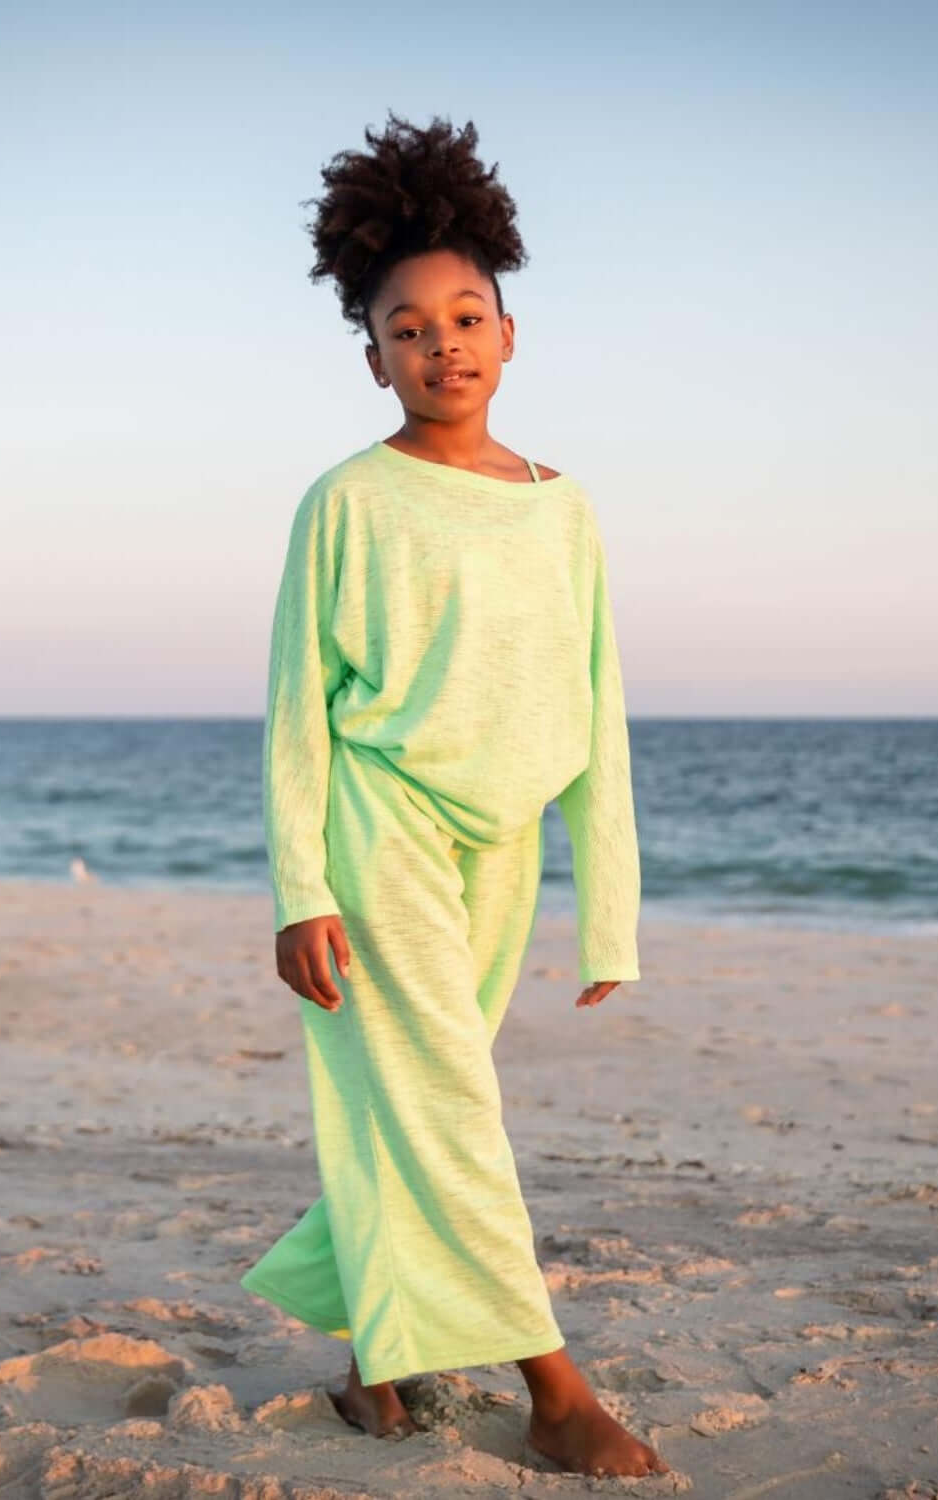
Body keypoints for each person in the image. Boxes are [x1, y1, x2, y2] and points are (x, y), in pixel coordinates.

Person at [239, 110, 668, 1481]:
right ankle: (554, 1392)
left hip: (504, 851)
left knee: (420, 1102)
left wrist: (610, 911)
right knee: (455, 1118)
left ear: (510, 330)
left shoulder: (566, 506)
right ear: (371, 357)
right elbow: (300, 714)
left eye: (466, 315)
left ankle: (379, 1359)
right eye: (408, 327)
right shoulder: (346, 504)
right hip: (382, 832)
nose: (444, 345)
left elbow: (595, 706)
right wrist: (301, 889)